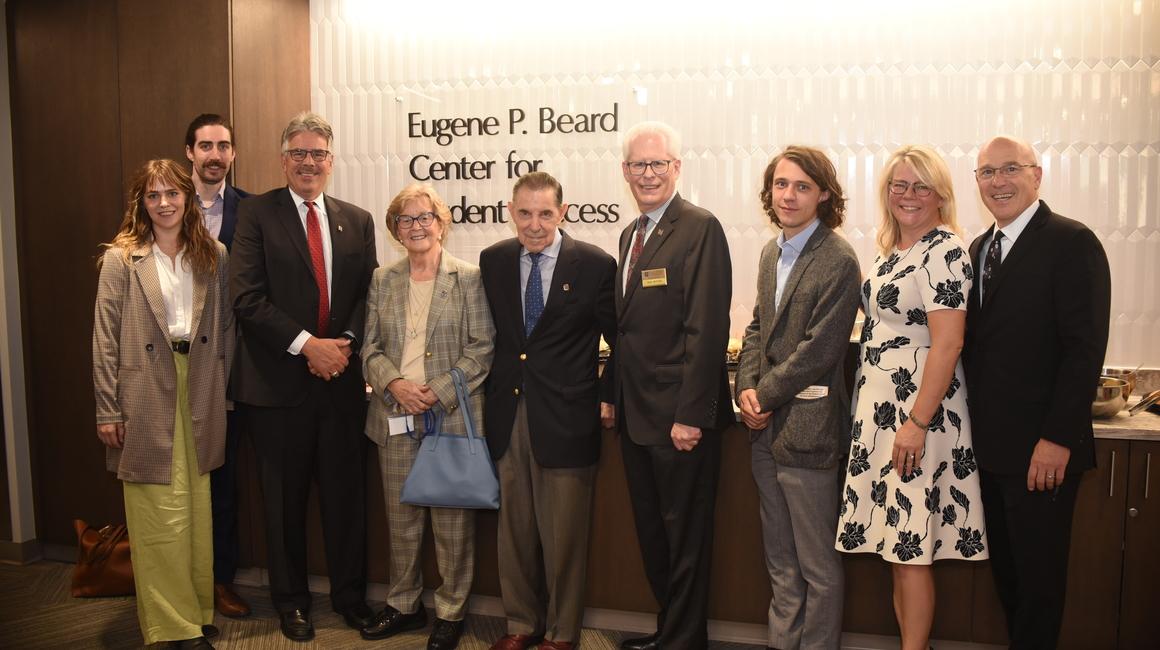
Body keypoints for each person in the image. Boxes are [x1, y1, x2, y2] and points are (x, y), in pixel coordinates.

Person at [228, 112, 377, 641]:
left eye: (318, 154)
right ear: (283, 158)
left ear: (332, 162)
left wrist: (345, 346)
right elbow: (246, 297)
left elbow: (366, 295)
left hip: (341, 384)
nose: (308, 162)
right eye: (299, 153)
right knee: (283, 503)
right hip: (277, 387)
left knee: (346, 500)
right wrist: (307, 346)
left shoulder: (356, 219)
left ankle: (351, 599)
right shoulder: (254, 215)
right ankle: (291, 603)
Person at [835, 145, 988, 650]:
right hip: (881, 415)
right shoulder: (894, 251)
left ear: (941, 194)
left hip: (916, 416)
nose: (909, 195)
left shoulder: (943, 250)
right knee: (899, 550)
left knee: (911, 549)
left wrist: (916, 424)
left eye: (922, 186)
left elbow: (949, 342)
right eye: (900, 184)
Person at [964, 136, 1110, 649]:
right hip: (991, 453)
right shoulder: (980, 249)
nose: (998, 182)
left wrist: (1056, 439)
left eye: (1010, 169)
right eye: (987, 172)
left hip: (1041, 454)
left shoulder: (1072, 242)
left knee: (1040, 588)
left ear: (1037, 175)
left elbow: (1083, 351)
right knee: (1009, 583)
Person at [92, 159, 232, 649]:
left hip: (199, 384)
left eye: (172, 193)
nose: (165, 204)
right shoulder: (121, 258)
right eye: (153, 196)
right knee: (157, 510)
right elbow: (105, 338)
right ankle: (171, 626)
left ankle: (195, 610)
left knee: (196, 504)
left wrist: (222, 391)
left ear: (188, 197)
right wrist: (108, 408)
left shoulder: (212, 253)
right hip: (144, 388)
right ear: (141, 203)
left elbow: (226, 332)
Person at [479, 172, 618, 650]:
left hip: (568, 416)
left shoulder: (596, 265)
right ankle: (520, 624)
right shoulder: (494, 260)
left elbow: (620, 342)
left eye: (544, 213)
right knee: (513, 532)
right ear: (510, 211)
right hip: (508, 413)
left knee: (563, 538)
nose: (534, 225)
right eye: (524, 213)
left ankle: (561, 634)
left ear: (562, 212)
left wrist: (607, 394)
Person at [610, 121, 733, 650]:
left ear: (677, 168)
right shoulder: (630, 234)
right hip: (637, 417)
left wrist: (691, 414)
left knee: (684, 539)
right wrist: (613, 400)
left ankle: (684, 641)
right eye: (639, 165)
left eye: (658, 163)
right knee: (655, 536)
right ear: (625, 172)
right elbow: (628, 331)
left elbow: (707, 329)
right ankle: (669, 632)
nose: (648, 173)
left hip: (679, 419)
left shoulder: (699, 227)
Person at [735, 146, 861, 650]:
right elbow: (757, 327)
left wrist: (761, 394)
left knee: (818, 568)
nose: (789, 195)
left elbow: (820, 350)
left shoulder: (838, 258)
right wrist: (745, 388)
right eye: (781, 184)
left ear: (823, 194)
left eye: (802, 186)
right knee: (781, 564)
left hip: (809, 432)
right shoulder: (772, 251)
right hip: (764, 432)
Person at [359, 183, 494, 650]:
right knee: (401, 519)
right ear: (396, 230)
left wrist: (433, 392)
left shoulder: (469, 277)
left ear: (442, 223)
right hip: (394, 415)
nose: (416, 227)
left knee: (451, 522)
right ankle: (402, 605)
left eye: (425, 218)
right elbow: (369, 347)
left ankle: (451, 611)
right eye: (406, 219)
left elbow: (482, 349)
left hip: (449, 418)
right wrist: (395, 384)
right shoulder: (383, 279)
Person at [183, 112, 252, 618]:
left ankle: (219, 580)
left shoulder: (252, 211)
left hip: (228, 367)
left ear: (232, 153)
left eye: (223, 146)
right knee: (174, 478)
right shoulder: (163, 205)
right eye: (205, 145)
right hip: (173, 366)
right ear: (190, 151)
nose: (214, 154)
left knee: (222, 479)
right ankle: (178, 577)